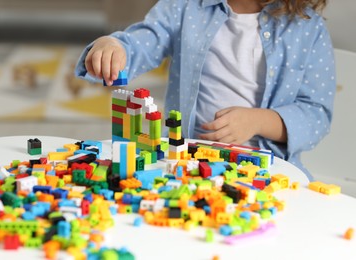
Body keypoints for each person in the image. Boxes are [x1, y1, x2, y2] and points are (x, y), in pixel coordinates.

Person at [75, 0, 335, 180]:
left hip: (271, 168)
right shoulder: (185, 6)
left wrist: (257, 121)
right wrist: (115, 47)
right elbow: (145, 40)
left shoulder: (308, 29)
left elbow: (316, 115)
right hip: (185, 163)